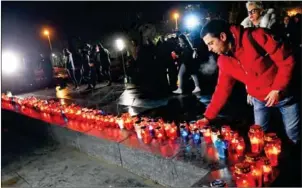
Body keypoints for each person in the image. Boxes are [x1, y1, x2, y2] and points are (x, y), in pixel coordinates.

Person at [199, 19, 300, 145]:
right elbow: (221, 90)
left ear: (223, 36)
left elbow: (286, 60)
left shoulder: (256, 37)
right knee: (258, 135)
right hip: (259, 100)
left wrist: (278, 88)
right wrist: (207, 117)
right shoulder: (224, 61)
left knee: (293, 133)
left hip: (285, 96)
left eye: (211, 43)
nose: (209, 49)